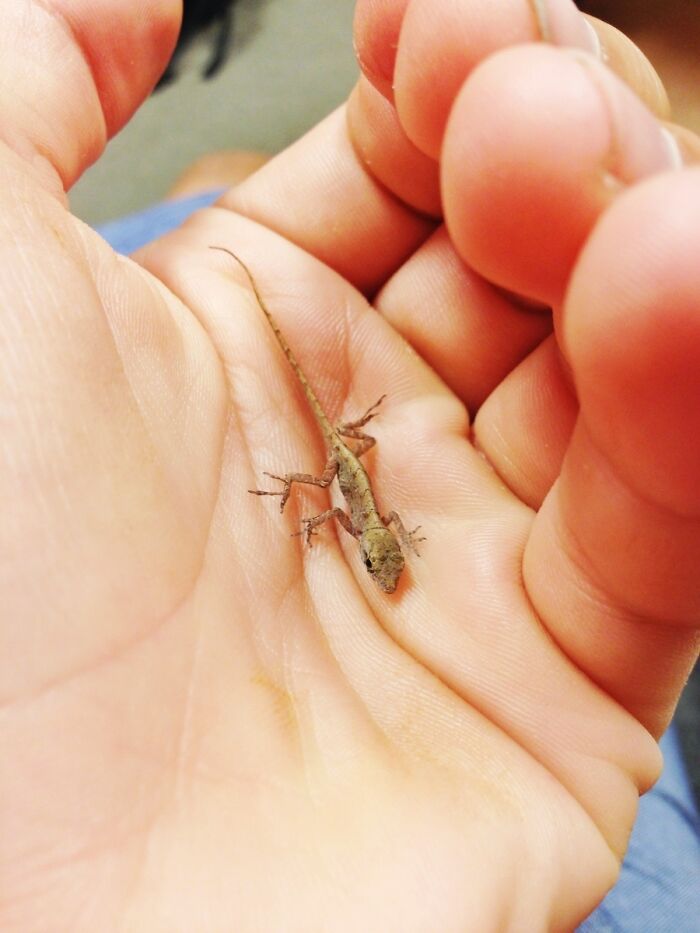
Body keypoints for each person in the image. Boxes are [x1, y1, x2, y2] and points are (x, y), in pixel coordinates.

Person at [1, 1, 698, 930]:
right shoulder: (354, 523)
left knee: (217, 199)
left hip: (342, 449)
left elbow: (354, 511)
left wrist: (329, 501)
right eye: (387, 561)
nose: (390, 563)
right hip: (337, 449)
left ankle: (211, 187)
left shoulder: (358, 524)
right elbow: (348, 507)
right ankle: (213, 189)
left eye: (386, 563)